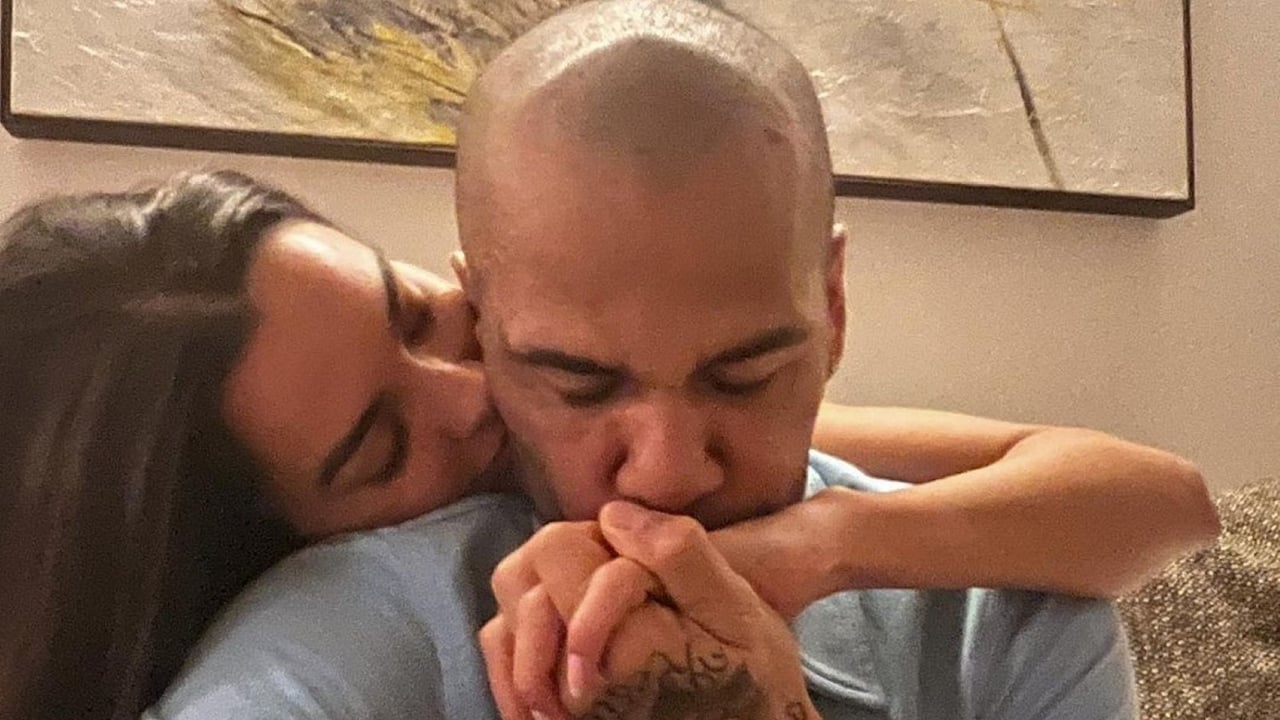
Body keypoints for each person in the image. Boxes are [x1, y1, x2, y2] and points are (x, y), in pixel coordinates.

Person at [146, 2, 1215, 719]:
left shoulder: (1008, 622)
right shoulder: (344, 633)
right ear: (496, 325)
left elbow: (1160, 499)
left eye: (742, 376)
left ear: (833, 306)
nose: (665, 471)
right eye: (576, 382)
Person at [0, 169, 1207, 719]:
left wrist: (807, 546)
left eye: (415, 315)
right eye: (379, 446)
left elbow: (1154, 498)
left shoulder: (656, 443)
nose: (472, 393)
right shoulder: (320, 646)